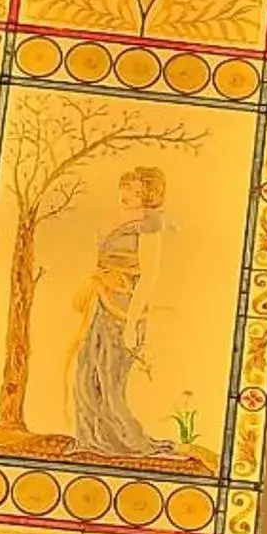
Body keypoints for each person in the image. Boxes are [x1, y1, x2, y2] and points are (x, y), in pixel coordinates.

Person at [66, 165, 173, 457]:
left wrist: (131, 324)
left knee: (111, 379)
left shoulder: (150, 224)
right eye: (127, 187)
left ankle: (127, 442)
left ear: (149, 195)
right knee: (87, 370)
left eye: (137, 191)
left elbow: (149, 276)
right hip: (101, 300)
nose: (127, 195)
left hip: (126, 307)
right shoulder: (115, 217)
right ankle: (90, 439)